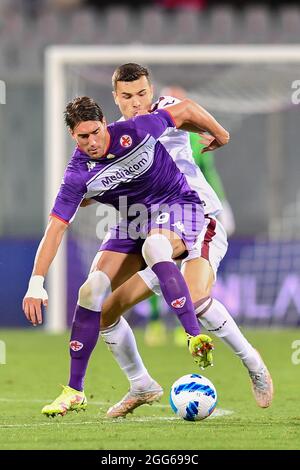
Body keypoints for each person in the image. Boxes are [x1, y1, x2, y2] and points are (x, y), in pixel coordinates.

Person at [23, 94, 230, 416]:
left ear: (105, 123)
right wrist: (36, 283)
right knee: (90, 292)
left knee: (156, 247)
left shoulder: (136, 129)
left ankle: (193, 335)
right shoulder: (77, 175)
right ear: (72, 136)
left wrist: (219, 133)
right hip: (133, 220)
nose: (91, 142)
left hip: (178, 206)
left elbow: (185, 111)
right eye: (83, 137)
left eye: (95, 132)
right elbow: (55, 229)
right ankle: (76, 390)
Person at [97, 64, 273, 418]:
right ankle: (141, 384)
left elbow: (190, 110)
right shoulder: (114, 137)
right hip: (159, 233)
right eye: (127, 97)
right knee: (105, 312)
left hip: (198, 219)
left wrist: (219, 134)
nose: (136, 103)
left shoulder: (165, 109)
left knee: (194, 297)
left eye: (142, 93)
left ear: (151, 90)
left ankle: (253, 362)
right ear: (116, 98)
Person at [144, 85, 235, 347]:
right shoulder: (147, 130)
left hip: (191, 209)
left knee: (186, 268)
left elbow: (207, 170)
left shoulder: (191, 136)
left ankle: (179, 324)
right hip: (155, 209)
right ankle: (154, 320)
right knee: (155, 263)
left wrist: (222, 204)